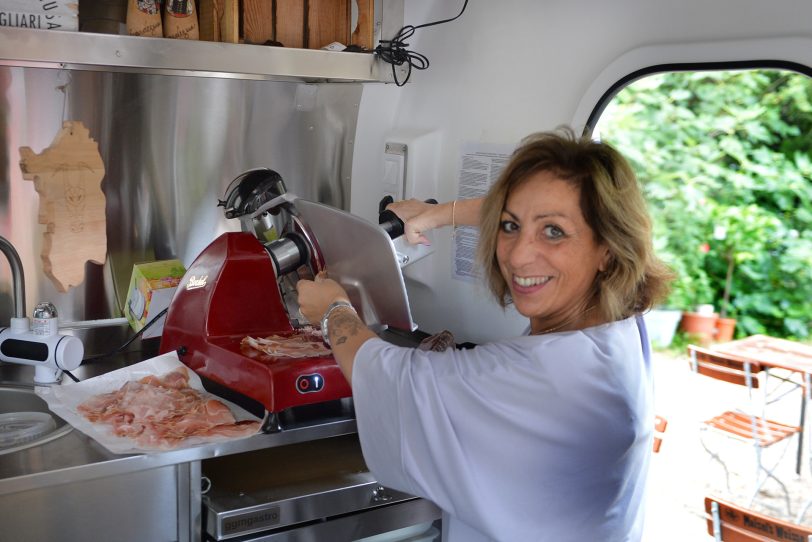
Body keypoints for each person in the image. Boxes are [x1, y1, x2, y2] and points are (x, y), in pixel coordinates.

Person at [296, 127, 673, 541]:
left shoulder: (537, 376)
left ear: (608, 247)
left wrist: (333, 310)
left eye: (553, 233)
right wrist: (437, 214)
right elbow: (534, 213)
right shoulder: (618, 324)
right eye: (510, 227)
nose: (517, 254)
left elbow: (391, 376)